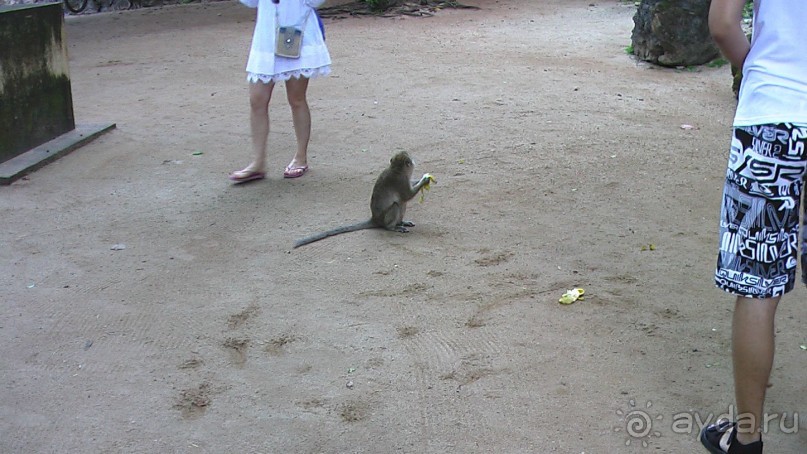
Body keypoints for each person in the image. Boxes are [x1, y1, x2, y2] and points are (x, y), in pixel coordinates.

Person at [701, 1, 807, 453]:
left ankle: (747, 439)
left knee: (758, 286)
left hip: (773, 115)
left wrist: (761, 67)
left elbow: (723, 25)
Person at [230, 0, 331, 183]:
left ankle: (301, 157)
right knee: (257, 100)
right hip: (267, 36)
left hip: (298, 32)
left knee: (296, 98)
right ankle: (258, 163)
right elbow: (250, 2)